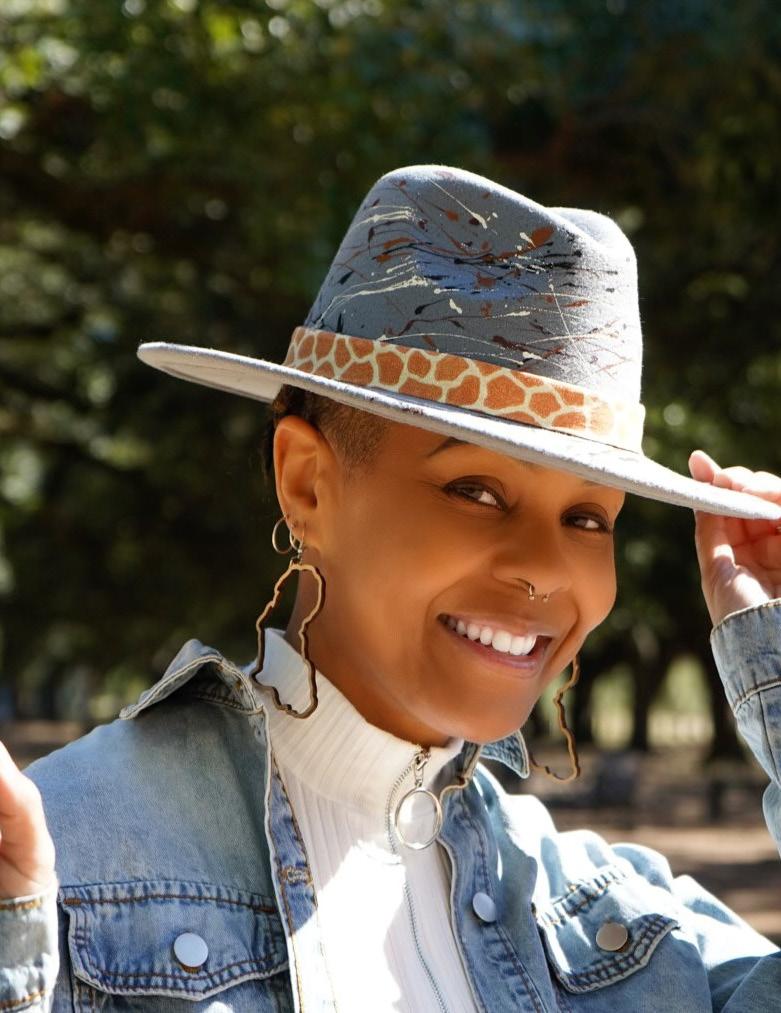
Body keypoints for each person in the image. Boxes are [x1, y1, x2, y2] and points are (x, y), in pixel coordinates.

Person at [2, 165, 781, 1013]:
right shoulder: (57, 864)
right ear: (306, 484)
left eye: (588, 517)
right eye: (476, 491)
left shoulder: (615, 924)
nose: (547, 567)